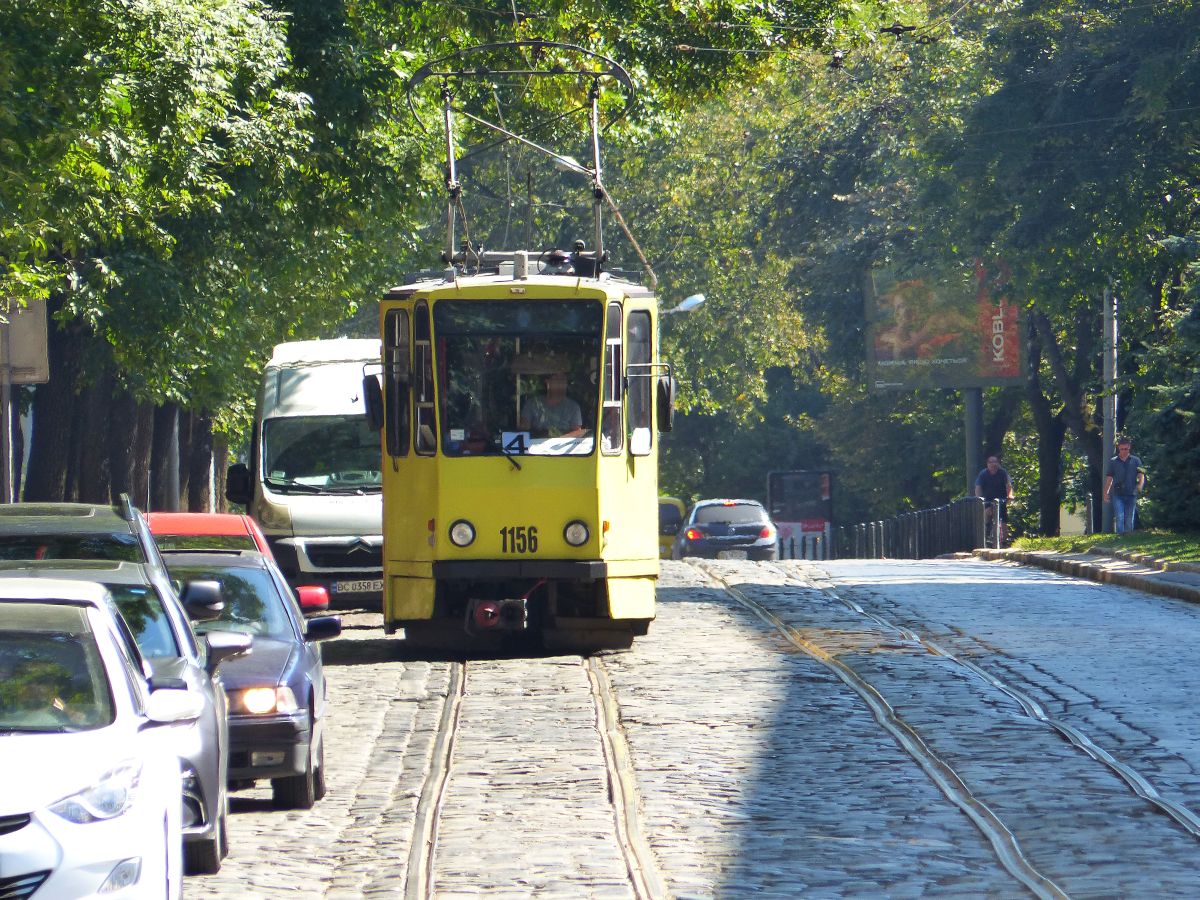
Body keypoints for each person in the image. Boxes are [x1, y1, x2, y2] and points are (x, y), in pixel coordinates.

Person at [521, 371, 585, 438]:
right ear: (547, 382)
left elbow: (577, 434)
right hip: (535, 445)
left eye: (563, 380)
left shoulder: (574, 407)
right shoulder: (532, 403)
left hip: (563, 446)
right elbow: (523, 431)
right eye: (557, 379)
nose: (561, 383)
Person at [1103, 436, 1144, 534]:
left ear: (1129, 447)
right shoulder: (1113, 461)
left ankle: (1128, 537)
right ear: (1118, 448)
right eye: (1122, 449)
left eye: (1126, 449)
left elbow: (1141, 475)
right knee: (1119, 516)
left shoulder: (1136, 460)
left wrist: (1140, 485)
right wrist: (1106, 492)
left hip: (1131, 492)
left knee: (1130, 517)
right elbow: (1109, 478)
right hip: (1118, 493)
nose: (1124, 451)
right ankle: (1120, 536)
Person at [975, 455, 1015, 546]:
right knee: (987, 514)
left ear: (998, 463)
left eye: (995, 462)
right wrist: (978, 498)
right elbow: (978, 487)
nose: (993, 464)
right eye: (991, 462)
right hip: (988, 499)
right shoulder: (983, 474)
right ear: (987, 464)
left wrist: (1010, 495)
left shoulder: (1003, 473)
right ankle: (986, 533)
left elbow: (1008, 485)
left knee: (1003, 519)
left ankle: (1004, 541)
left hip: (1001, 499)